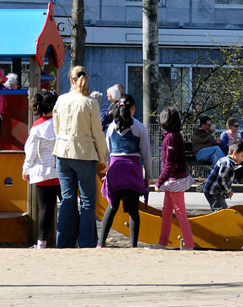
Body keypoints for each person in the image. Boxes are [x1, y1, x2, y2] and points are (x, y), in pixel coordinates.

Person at [53, 66, 109, 249]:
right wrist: (103, 157)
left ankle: (63, 241)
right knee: (87, 201)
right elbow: (98, 133)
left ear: (71, 80)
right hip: (84, 153)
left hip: (62, 152)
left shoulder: (60, 100)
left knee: (67, 199)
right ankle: (86, 243)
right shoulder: (90, 102)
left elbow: (56, 127)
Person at [99, 94, 153, 248]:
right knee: (133, 210)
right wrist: (147, 177)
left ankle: (101, 243)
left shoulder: (110, 127)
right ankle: (133, 245)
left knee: (112, 206)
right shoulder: (139, 127)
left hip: (115, 170)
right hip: (132, 170)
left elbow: (108, 152)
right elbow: (146, 155)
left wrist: (107, 173)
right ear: (133, 108)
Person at [22, 89, 60, 249]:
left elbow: (30, 152)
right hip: (61, 172)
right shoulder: (61, 123)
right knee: (68, 206)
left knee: (45, 209)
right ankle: (70, 238)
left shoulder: (37, 126)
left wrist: (26, 169)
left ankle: (41, 243)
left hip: (43, 173)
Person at [153, 106, 195, 250]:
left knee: (179, 212)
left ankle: (189, 244)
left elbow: (169, 164)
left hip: (174, 180)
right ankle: (162, 242)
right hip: (175, 179)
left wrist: (159, 181)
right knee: (167, 211)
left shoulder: (170, 138)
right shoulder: (175, 136)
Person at [202, 140, 243, 211]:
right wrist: (229, 191)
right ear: (235, 153)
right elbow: (221, 181)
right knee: (220, 210)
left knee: (222, 208)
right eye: (242, 156)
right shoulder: (227, 165)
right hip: (213, 191)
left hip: (214, 190)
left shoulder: (225, 160)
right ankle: (218, 221)